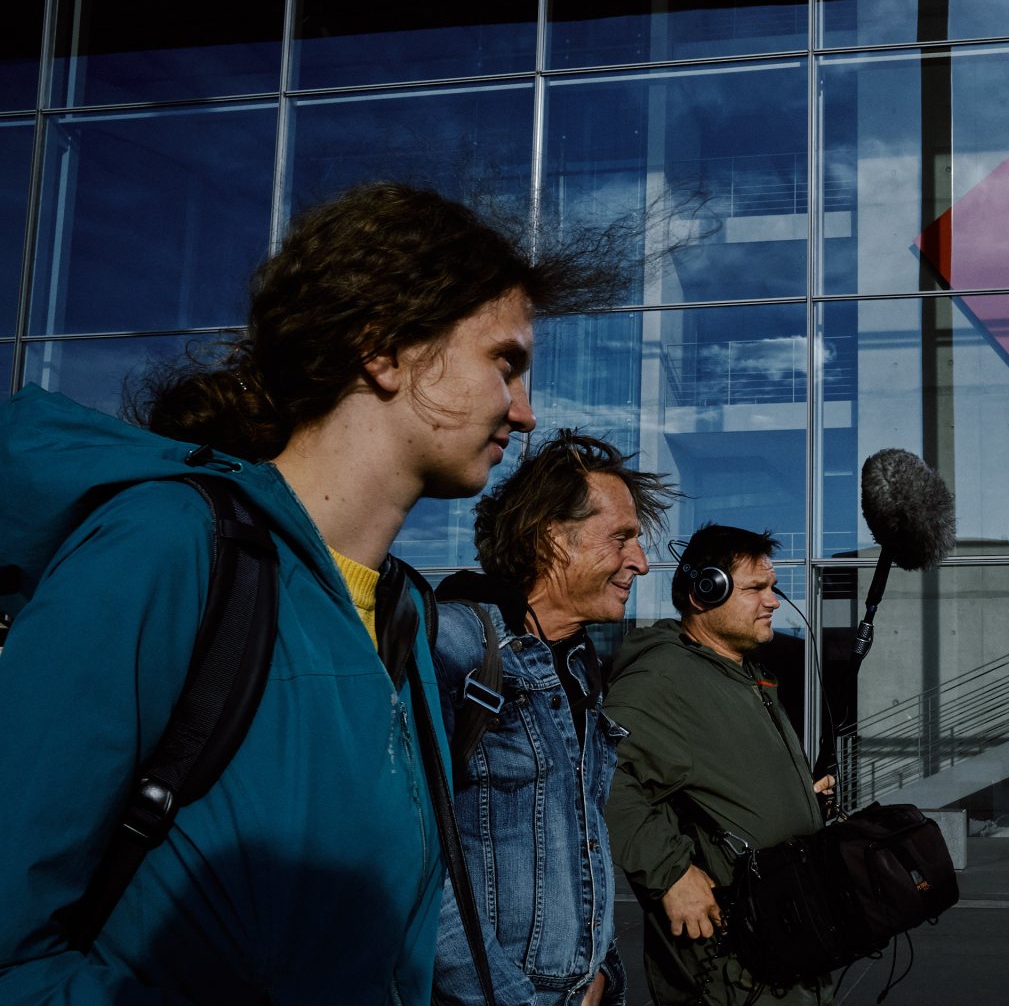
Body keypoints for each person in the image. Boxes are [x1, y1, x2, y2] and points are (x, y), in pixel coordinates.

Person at [0, 182, 582, 1003]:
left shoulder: (406, 617)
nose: (525, 413)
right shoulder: (167, 545)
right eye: (506, 363)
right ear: (384, 351)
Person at [431, 431, 677, 1006]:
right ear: (554, 540)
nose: (639, 562)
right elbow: (416, 866)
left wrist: (600, 975)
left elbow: (576, 847)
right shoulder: (457, 644)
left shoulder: (579, 665)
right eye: (622, 538)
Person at [603, 524, 836, 1006]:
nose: (773, 601)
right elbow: (603, 775)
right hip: (729, 966)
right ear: (705, 592)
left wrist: (798, 800)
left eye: (771, 588)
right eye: (756, 589)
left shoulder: (740, 673)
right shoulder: (662, 679)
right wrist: (668, 873)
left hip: (783, 944)